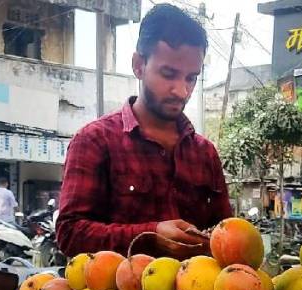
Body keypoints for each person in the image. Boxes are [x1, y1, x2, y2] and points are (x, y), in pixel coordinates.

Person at [56, 3, 231, 258]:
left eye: (191, 78)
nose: (181, 91)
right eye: (168, 74)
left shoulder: (205, 154)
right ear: (139, 65)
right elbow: (70, 234)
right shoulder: (95, 141)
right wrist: (151, 236)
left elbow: (225, 233)